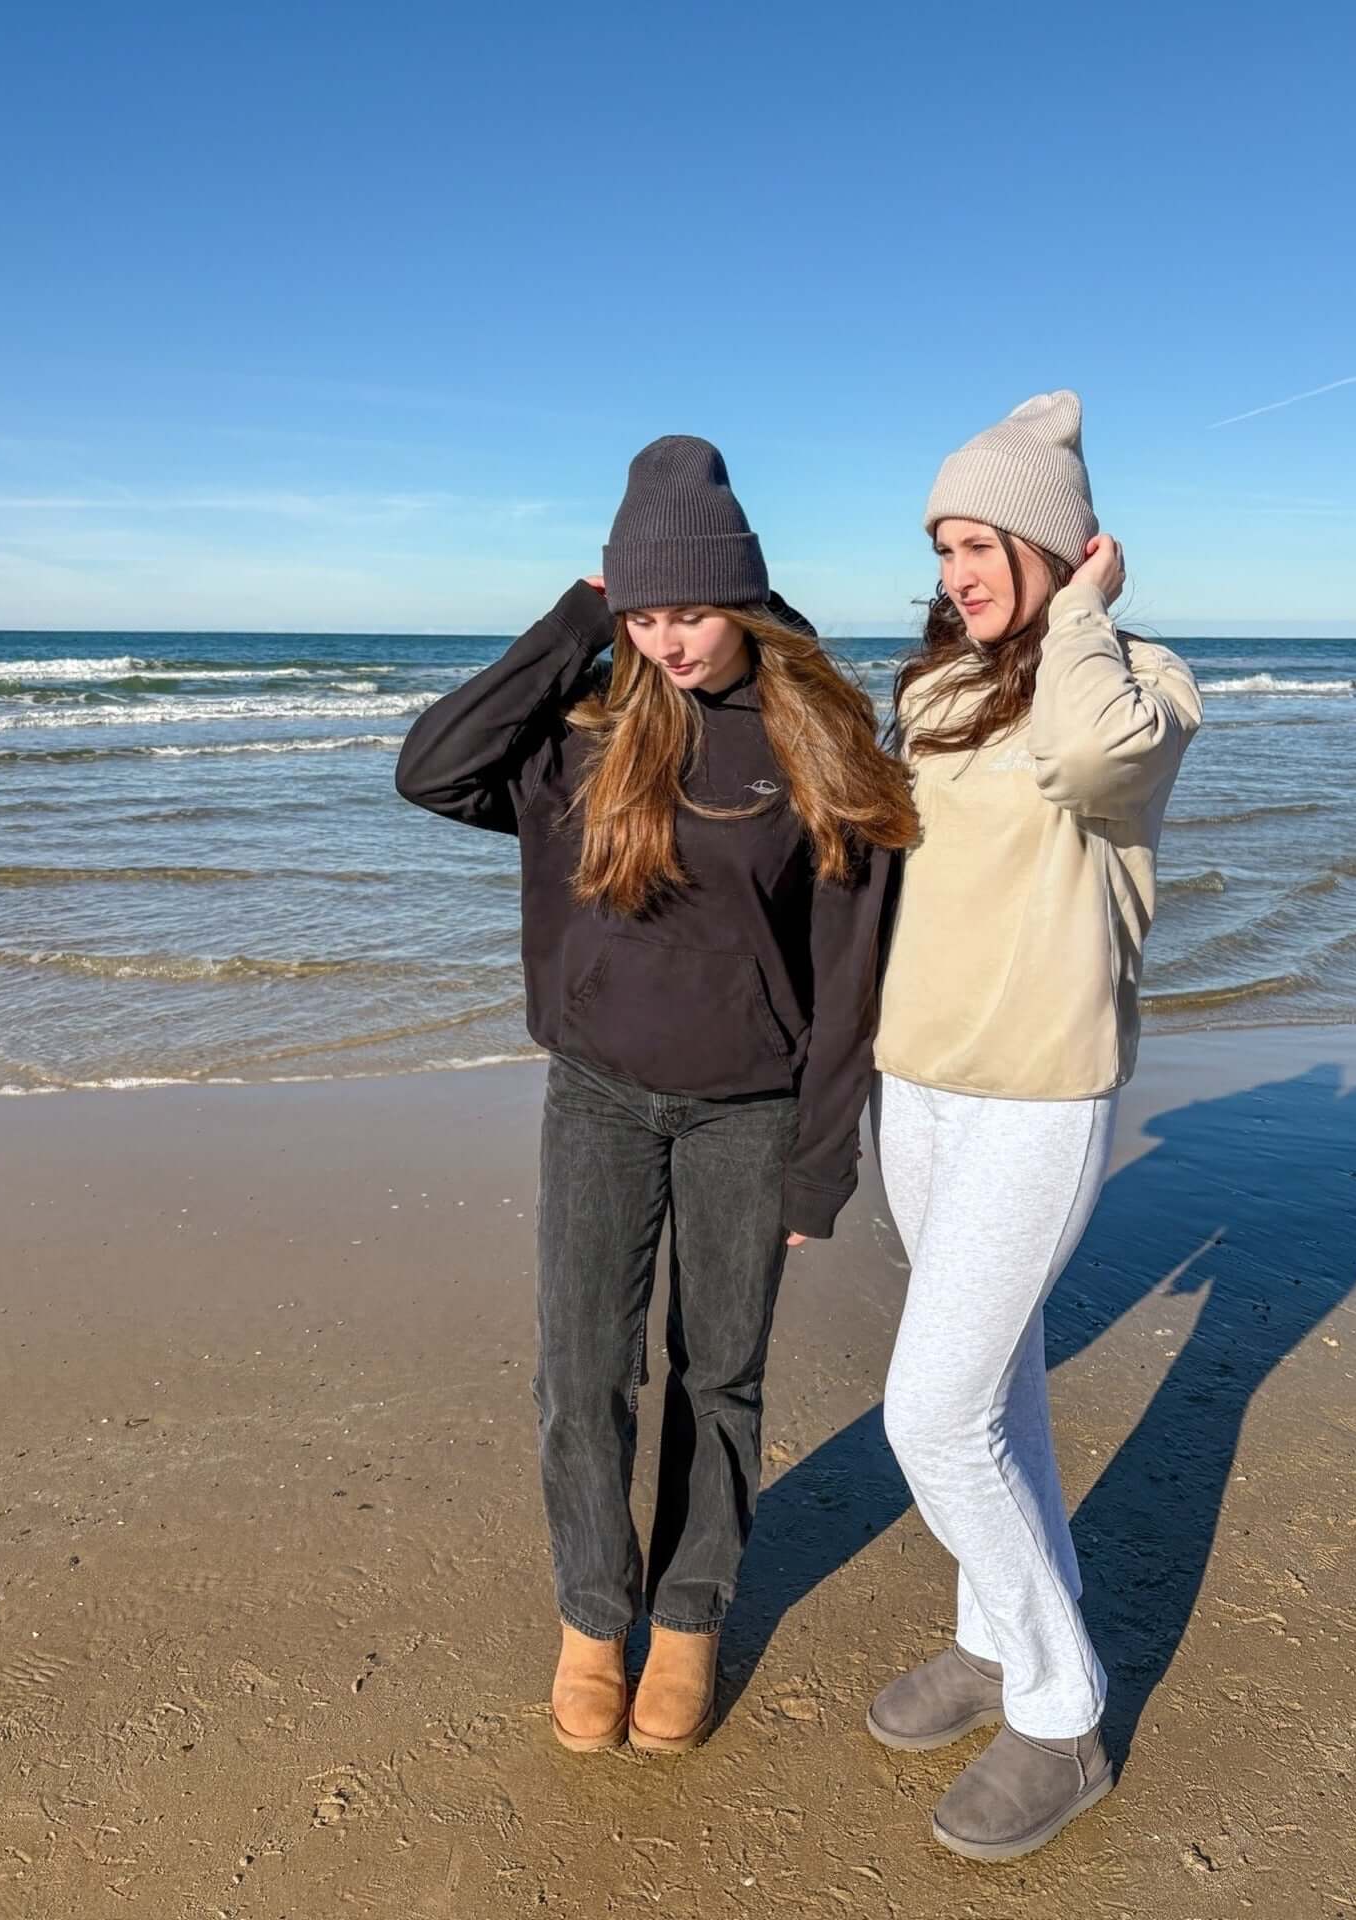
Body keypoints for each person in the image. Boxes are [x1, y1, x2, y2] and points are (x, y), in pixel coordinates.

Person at [396, 437, 918, 1755]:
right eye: (644, 612)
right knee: (583, 1380)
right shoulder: (587, 735)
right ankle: (592, 1619)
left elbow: (849, 975)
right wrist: (581, 613)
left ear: (742, 601)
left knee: (719, 1381)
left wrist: (821, 1161)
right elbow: (432, 765)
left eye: (691, 609)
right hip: (600, 1100)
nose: (668, 640)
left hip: (749, 1112)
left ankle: (686, 1621)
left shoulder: (815, 742)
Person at [866, 392, 1202, 1859]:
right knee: (997, 1388)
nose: (958, 570)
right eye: (943, 544)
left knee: (929, 1413)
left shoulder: (1141, 683)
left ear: (1056, 545)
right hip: (918, 1084)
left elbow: (1091, 769)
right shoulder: (938, 694)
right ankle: (993, 1635)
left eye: (982, 539)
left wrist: (1086, 611)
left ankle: (1060, 1716)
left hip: (1039, 1095)